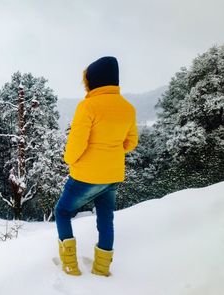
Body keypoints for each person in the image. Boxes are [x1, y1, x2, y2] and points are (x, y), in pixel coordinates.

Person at [54, 56, 138, 277]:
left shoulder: (87, 106)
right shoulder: (128, 108)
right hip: (112, 176)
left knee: (62, 212)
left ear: (92, 80)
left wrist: (70, 160)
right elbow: (131, 143)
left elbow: (75, 146)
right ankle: (102, 268)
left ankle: (70, 265)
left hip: (85, 176)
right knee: (106, 218)